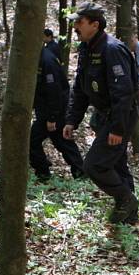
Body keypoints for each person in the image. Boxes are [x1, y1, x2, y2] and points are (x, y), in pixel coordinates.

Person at [63, 3, 139, 225]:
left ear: (95, 24)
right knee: (117, 164)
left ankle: (126, 199)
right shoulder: (87, 49)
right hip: (104, 115)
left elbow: (123, 92)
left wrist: (118, 127)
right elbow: (80, 89)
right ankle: (129, 215)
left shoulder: (112, 49)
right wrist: (71, 120)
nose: (75, 26)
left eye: (80, 22)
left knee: (94, 165)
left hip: (119, 116)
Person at [30, 39, 85, 182]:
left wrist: (52, 117)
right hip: (47, 110)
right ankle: (80, 171)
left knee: (32, 141)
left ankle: (43, 172)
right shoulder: (37, 58)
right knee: (61, 141)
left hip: (55, 111)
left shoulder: (47, 61)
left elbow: (55, 91)